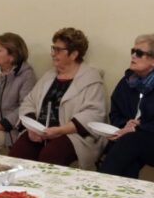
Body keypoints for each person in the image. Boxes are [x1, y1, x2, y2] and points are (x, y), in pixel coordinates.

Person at [10, 27, 107, 169]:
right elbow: (29, 102)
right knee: (18, 153)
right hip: (41, 131)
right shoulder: (49, 76)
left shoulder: (90, 78)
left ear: (74, 54)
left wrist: (60, 130)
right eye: (53, 48)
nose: (53, 54)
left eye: (58, 50)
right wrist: (32, 127)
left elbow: (93, 113)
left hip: (72, 135)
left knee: (50, 155)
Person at [98, 33, 154, 179]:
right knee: (128, 158)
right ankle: (120, 191)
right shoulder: (128, 80)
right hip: (128, 140)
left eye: (139, 53)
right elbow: (115, 113)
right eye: (132, 51)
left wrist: (137, 127)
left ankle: (100, 183)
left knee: (129, 141)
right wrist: (125, 125)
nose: (133, 56)